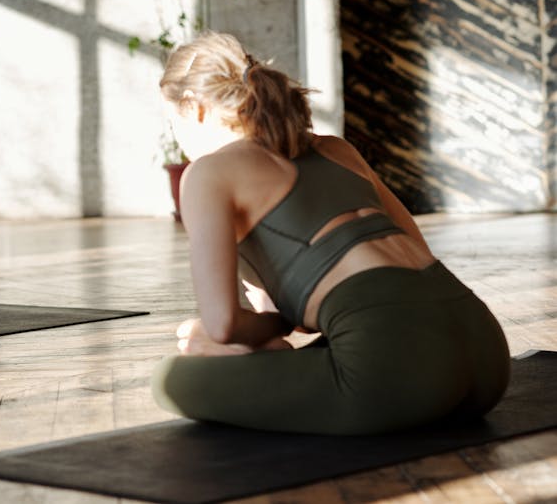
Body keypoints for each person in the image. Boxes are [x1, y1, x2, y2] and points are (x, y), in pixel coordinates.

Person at [150, 31, 510, 435]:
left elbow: (223, 326)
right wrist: (277, 323)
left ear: (193, 108)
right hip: (487, 356)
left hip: (400, 372)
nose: (179, 143)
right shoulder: (338, 149)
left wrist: (264, 330)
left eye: (173, 122)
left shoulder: (208, 173)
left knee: (172, 378)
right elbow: (414, 255)